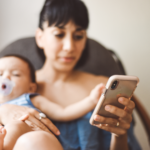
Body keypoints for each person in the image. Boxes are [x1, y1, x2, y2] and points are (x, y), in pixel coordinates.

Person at [0, 0, 141, 150]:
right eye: (59, 34)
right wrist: (3, 110)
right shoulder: (17, 88)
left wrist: (120, 135)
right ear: (40, 37)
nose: (69, 47)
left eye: (78, 36)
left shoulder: (102, 88)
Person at [0, 55, 106, 150]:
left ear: (31, 88)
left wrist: (91, 100)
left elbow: (63, 112)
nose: (5, 77)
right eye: (0, 74)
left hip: (40, 142)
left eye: (16, 74)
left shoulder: (31, 99)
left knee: (16, 125)